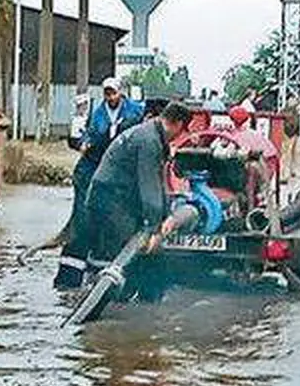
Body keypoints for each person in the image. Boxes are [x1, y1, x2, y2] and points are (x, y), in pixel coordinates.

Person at [75, 102, 195, 299]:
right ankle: (107, 300)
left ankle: (143, 299)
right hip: (109, 199)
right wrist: (155, 229)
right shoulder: (149, 141)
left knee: (145, 251)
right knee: (122, 251)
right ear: (178, 124)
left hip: (119, 198)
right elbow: (149, 187)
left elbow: (158, 184)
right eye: (181, 132)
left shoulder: (151, 134)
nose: (178, 137)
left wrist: (165, 218)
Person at [54, 77, 145, 289]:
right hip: (92, 170)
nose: (111, 97)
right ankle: (69, 282)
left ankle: (103, 275)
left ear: (121, 92)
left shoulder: (135, 112)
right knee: (84, 222)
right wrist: (83, 142)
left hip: (119, 175)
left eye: (114, 92)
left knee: (113, 226)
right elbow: (79, 135)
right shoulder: (94, 112)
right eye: (107, 93)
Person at [282, 96, 300, 179]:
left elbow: (297, 123)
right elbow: (284, 123)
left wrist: (297, 134)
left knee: (295, 153)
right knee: (287, 153)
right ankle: (284, 172)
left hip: (295, 134)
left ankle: (293, 170)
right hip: (287, 133)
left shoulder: (296, 112)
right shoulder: (284, 111)